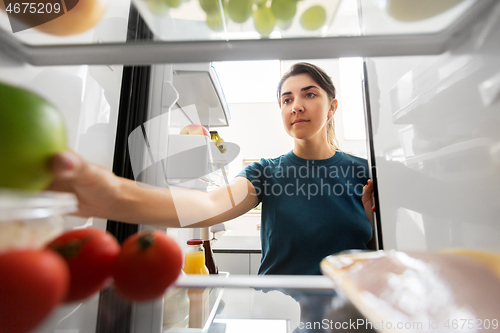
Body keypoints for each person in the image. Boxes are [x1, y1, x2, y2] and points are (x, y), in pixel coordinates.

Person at [48, 62, 376, 276]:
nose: (296, 106)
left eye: (309, 94)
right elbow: (209, 205)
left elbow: (381, 252)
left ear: (332, 106)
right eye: (287, 99)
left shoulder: (366, 173)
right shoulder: (267, 172)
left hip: (350, 313)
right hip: (279, 308)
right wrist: (110, 194)